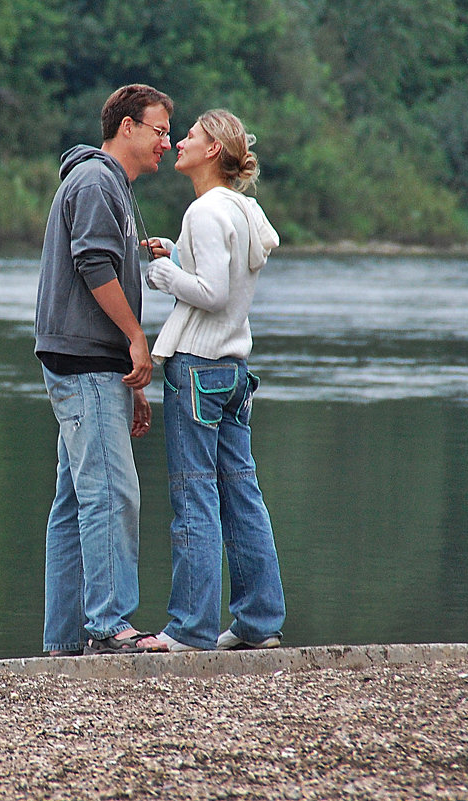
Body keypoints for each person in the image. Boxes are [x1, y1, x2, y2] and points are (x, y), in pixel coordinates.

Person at [138, 109, 286, 652]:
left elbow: (212, 292)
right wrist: (177, 255)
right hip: (234, 371)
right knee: (242, 494)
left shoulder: (204, 210)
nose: (179, 141)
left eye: (192, 136)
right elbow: (223, 282)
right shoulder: (244, 210)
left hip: (197, 368)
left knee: (193, 494)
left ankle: (190, 629)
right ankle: (259, 622)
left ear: (213, 152)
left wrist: (163, 274)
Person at [35, 84, 173, 656]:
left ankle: (65, 641)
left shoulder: (108, 184)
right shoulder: (95, 182)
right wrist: (137, 339)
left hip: (93, 363)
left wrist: (129, 375)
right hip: (86, 360)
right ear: (126, 128)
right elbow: (93, 264)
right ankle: (110, 625)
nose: (168, 141)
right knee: (112, 493)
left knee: (75, 500)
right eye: (160, 129)